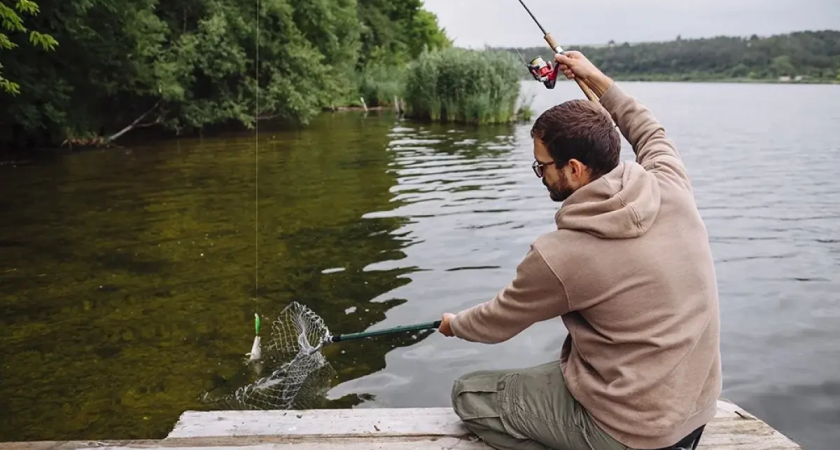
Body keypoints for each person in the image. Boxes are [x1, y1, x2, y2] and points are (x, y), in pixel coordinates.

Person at [437, 51, 721, 450]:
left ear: (573, 168)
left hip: (634, 430)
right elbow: (649, 131)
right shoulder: (671, 185)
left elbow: (497, 321)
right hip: (696, 410)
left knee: (470, 395)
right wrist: (595, 77)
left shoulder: (560, 256)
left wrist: (454, 324)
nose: (540, 175)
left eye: (542, 166)